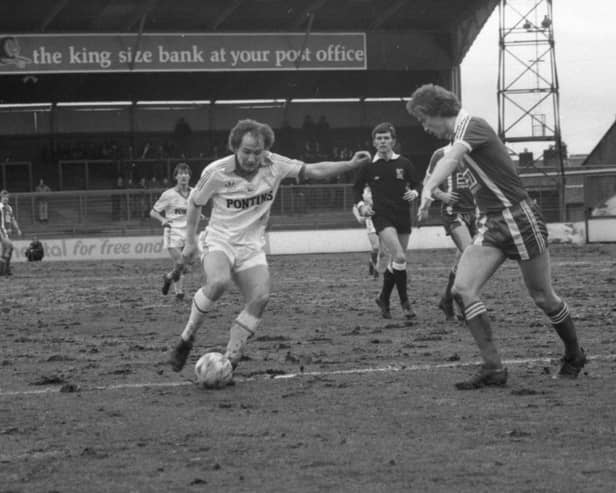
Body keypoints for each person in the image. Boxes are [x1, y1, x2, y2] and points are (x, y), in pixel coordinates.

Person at [407, 83, 586, 389]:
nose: (425, 128)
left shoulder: (472, 126)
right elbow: (448, 161)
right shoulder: (455, 137)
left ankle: (574, 353)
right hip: (491, 224)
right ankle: (494, 368)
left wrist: (427, 190)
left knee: (543, 296)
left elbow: (451, 160)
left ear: (436, 112)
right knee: (462, 289)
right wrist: (430, 189)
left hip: (520, 218)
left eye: (424, 120)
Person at [167, 118, 371, 375]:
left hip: (251, 246)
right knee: (218, 283)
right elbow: (195, 203)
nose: (252, 158)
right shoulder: (216, 172)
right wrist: (189, 243)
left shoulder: (275, 165)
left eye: (257, 152)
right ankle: (186, 338)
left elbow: (313, 170)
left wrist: (350, 164)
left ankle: (230, 358)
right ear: (235, 148)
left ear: (265, 150)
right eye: (246, 152)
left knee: (261, 298)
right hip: (219, 240)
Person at [352, 122, 421, 320]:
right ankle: (405, 303)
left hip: (402, 215)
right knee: (399, 257)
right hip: (381, 216)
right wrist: (361, 206)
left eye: (386, 138)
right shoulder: (367, 166)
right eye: (379, 138)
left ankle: (383, 298)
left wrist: (415, 192)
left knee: (395, 261)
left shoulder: (404, 163)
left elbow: (417, 182)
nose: (383, 141)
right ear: (374, 142)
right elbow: (356, 189)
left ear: (393, 141)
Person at [424, 145, 478, 320]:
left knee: (462, 259)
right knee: (469, 252)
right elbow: (428, 181)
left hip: (474, 212)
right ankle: (463, 299)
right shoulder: (440, 153)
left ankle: (446, 299)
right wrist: (441, 195)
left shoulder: (474, 151)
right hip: (452, 212)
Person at [150, 162, 194, 301]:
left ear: (189, 176)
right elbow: (153, 212)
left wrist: (201, 216)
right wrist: (162, 219)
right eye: (180, 173)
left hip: (188, 234)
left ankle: (171, 281)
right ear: (176, 176)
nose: (184, 176)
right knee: (181, 263)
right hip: (172, 232)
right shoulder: (168, 194)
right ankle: (179, 291)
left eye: (186, 173)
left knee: (180, 266)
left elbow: (195, 210)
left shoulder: (195, 193)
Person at [352, 186, 382, 279]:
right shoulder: (365, 192)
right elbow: (355, 206)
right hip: (371, 220)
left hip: (384, 219)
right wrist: (359, 218)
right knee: (376, 247)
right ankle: (374, 265)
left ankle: (374, 264)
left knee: (384, 248)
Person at [0, 189, 22, 276]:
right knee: (9, 246)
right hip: (1, 232)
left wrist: (18, 229)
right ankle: (5, 270)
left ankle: (4, 270)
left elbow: (13, 220)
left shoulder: (9, 208)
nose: (5, 199)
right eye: (4, 197)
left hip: (6, 233)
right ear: (1, 198)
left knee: (7, 250)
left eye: (7, 197)